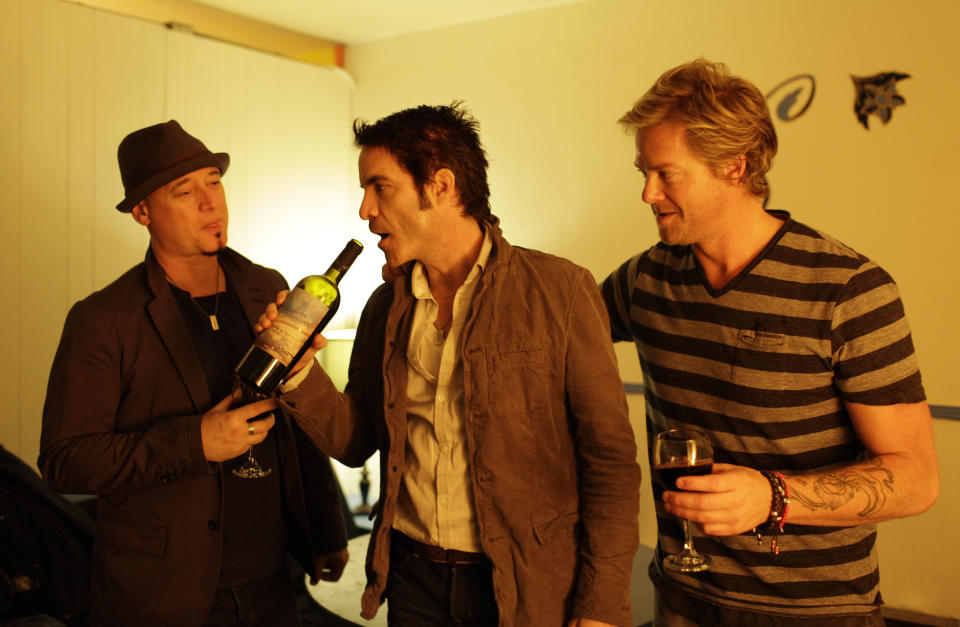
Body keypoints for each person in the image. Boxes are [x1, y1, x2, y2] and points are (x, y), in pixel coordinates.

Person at [262, 103, 641, 627]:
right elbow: (356, 441)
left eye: (380, 187)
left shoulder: (561, 291)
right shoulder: (383, 308)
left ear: (440, 186)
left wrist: (602, 605)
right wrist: (300, 371)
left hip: (526, 587)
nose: (364, 209)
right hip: (414, 580)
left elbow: (611, 464)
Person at [600, 59, 940, 625]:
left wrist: (775, 498)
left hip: (818, 613)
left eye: (665, 174)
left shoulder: (848, 289)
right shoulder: (645, 279)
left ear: (735, 167)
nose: (646, 194)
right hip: (680, 601)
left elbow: (916, 478)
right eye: (643, 171)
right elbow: (550, 327)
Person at [38, 120, 349, 626]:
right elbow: (63, 461)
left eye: (214, 182)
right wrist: (193, 443)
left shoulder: (265, 287)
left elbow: (293, 426)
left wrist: (325, 530)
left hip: (273, 582)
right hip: (160, 595)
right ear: (143, 212)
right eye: (185, 191)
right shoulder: (104, 318)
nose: (211, 203)